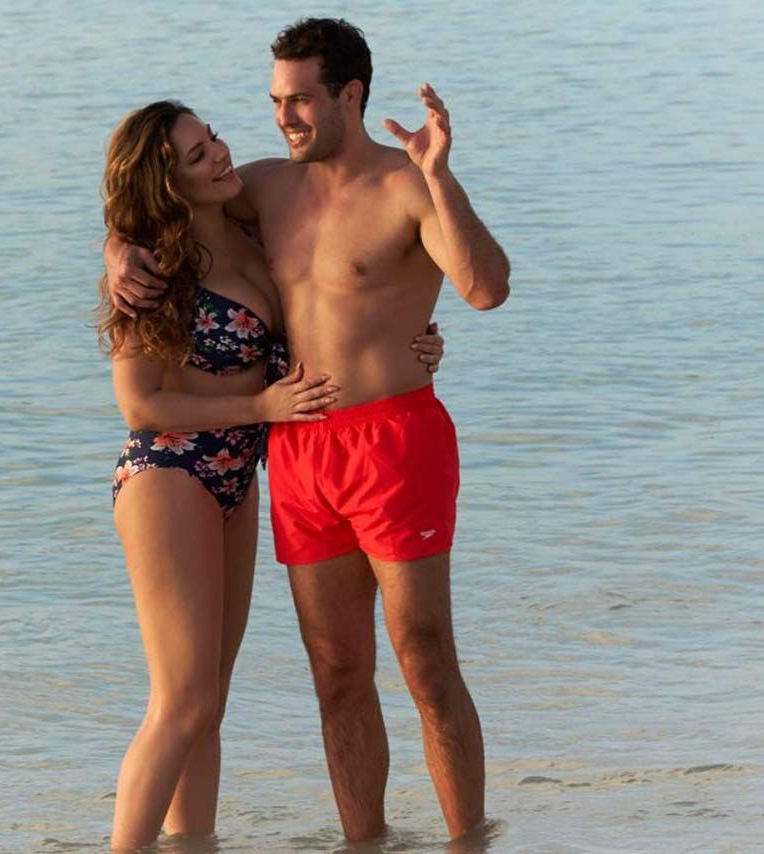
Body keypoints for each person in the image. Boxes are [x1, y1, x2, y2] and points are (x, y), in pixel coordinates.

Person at [105, 17, 510, 845]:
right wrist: (117, 248)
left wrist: (441, 177)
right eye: (274, 102)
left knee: (425, 657)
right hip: (296, 451)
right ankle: (365, 844)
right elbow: (160, 202)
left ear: (349, 96)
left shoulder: (406, 185)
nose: (282, 118)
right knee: (335, 672)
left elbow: (485, 289)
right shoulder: (262, 188)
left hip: (394, 440)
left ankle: (467, 839)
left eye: (299, 101)